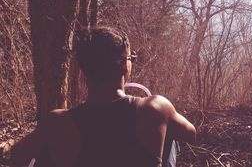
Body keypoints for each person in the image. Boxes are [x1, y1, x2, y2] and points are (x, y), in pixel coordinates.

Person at [0, 26, 196, 167]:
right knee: (169, 130)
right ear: (122, 64)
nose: (131, 62)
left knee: (46, 150)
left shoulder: (57, 122)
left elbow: (17, 155)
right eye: (130, 58)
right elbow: (190, 133)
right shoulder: (155, 108)